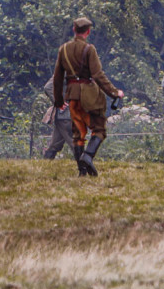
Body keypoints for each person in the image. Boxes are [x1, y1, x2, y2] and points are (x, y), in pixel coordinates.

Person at [52, 17, 124, 177]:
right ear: (88, 32)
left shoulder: (63, 49)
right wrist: (114, 92)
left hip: (73, 96)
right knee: (99, 129)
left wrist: (58, 101)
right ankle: (88, 156)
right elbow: (98, 75)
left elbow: (57, 78)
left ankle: (82, 171)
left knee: (78, 133)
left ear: (73, 30)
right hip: (90, 96)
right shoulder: (89, 49)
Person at [41, 76, 74, 160]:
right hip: (66, 116)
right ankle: (85, 168)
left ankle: (44, 166)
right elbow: (48, 87)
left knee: (55, 144)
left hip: (68, 115)